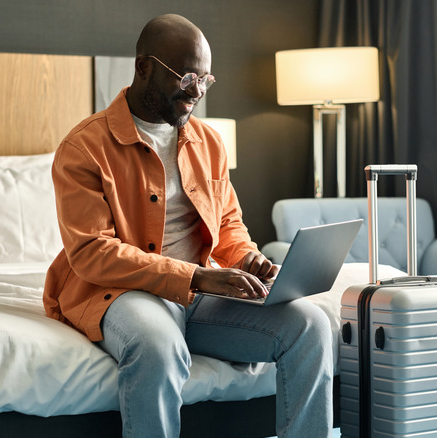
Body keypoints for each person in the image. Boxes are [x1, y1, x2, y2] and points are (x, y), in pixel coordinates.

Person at [43, 13, 332, 438]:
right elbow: (91, 253)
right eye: (186, 77)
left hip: (200, 291)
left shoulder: (208, 141)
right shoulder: (84, 147)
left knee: (311, 326)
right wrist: (197, 276)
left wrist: (246, 258)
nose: (196, 92)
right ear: (144, 67)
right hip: (124, 292)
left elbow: (228, 221)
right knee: (156, 345)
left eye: (205, 80)